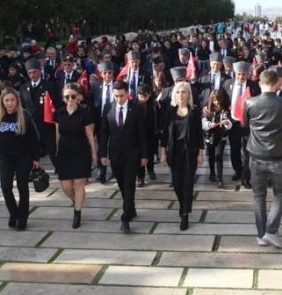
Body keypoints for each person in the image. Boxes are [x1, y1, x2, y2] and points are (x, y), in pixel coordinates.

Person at [243, 68, 282, 249]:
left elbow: (245, 123)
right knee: (280, 193)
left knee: (259, 195)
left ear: (259, 83)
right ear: (278, 84)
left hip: (256, 155)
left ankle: (261, 235)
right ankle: (271, 231)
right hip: (277, 155)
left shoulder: (249, 102)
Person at [98, 80, 150, 234]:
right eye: (116, 96)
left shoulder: (137, 109)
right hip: (115, 154)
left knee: (129, 185)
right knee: (122, 185)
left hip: (132, 154)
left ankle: (125, 218)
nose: (119, 99)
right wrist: (102, 154)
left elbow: (143, 134)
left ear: (127, 94)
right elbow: (103, 133)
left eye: (121, 95)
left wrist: (145, 155)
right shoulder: (108, 108)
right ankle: (131, 208)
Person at [0, 88, 42, 231]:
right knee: (5, 187)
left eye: (12, 100)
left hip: (24, 156)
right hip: (6, 157)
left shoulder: (24, 115)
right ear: (2, 102)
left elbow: (34, 138)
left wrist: (36, 158)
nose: (10, 103)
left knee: (22, 187)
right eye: (7, 100)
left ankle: (22, 218)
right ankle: (14, 213)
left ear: (17, 100)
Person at [161, 82, 204, 230]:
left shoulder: (194, 112)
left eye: (184, 92)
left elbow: (199, 134)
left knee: (188, 183)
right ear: (174, 95)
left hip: (190, 152)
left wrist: (200, 153)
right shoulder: (170, 112)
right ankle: (182, 205)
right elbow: (164, 134)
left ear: (189, 95)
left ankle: (185, 214)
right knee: (177, 183)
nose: (181, 95)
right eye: (178, 92)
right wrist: (162, 152)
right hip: (174, 152)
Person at [54, 83, 97, 229]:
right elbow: (57, 133)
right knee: (66, 186)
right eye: (67, 97)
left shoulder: (85, 111)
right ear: (63, 97)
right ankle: (76, 200)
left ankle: (77, 214)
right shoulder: (59, 113)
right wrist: (56, 150)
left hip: (81, 151)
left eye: (73, 96)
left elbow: (89, 134)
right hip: (65, 152)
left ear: (78, 97)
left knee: (79, 184)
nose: (70, 99)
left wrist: (94, 153)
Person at [202, 89, 231, 187]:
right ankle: (212, 173)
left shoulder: (225, 110)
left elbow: (229, 123)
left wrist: (227, 123)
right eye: (214, 100)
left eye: (218, 100)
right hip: (210, 137)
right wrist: (210, 124)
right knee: (211, 156)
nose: (217, 102)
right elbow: (203, 123)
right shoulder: (207, 109)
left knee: (219, 156)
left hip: (221, 137)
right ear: (211, 100)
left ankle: (220, 178)